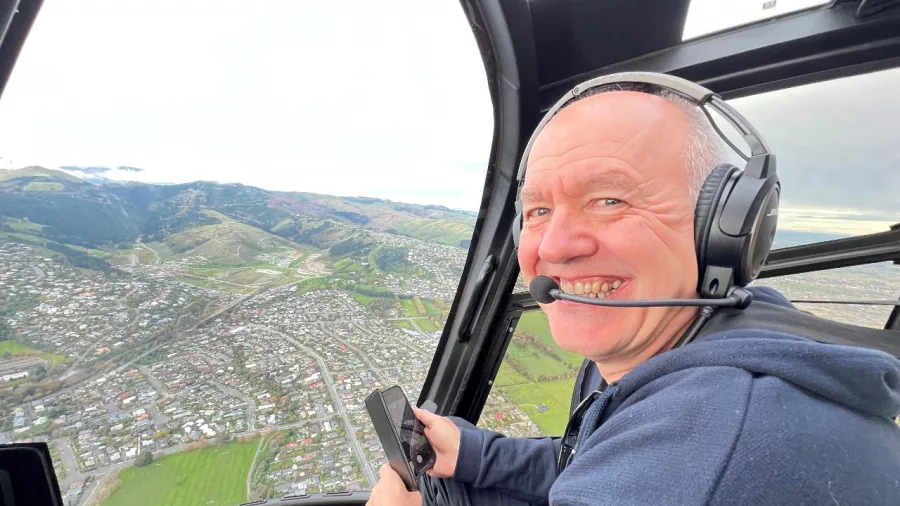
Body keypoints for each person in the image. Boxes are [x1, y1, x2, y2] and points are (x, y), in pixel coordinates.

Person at [366, 76, 900, 506]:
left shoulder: (692, 465)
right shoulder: (702, 331)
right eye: (539, 211)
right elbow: (586, 457)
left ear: (725, 227)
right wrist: (475, 454)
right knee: (441, 482)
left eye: (609, 200)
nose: (555, 244)